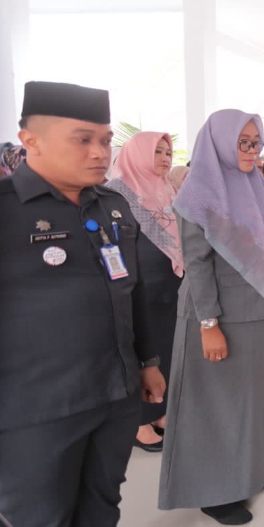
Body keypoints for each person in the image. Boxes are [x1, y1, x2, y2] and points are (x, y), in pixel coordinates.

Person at [0, 80, 166, 527]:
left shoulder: (112, 207)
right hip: (32, 412)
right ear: (32, 140)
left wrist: (148, 363)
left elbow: (132, 293)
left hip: (113, 395)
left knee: (101, 507)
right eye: (82, 139)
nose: (99, 152)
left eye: (106, 140)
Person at [159, 109, 264, 526]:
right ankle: (214, 491)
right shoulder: (198, 195)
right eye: (243, 142)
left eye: (256, 143)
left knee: (251, 398)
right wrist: (209, 325)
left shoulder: (256, 188)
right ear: (218, 142)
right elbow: (197, 264)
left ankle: (252, 470)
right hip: (215, 317)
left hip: (253, 310)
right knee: (213, 404)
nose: (252, 151)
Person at [107, 131, 185, 452]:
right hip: (138, 288)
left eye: (168, 153)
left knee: (164, 347)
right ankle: (139, 422)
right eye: (157, 152)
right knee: (141, 351)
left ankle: (158, 410)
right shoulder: (117, 192)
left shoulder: (165, 188)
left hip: (168, 284)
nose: (165, 159)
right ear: (137, 154)